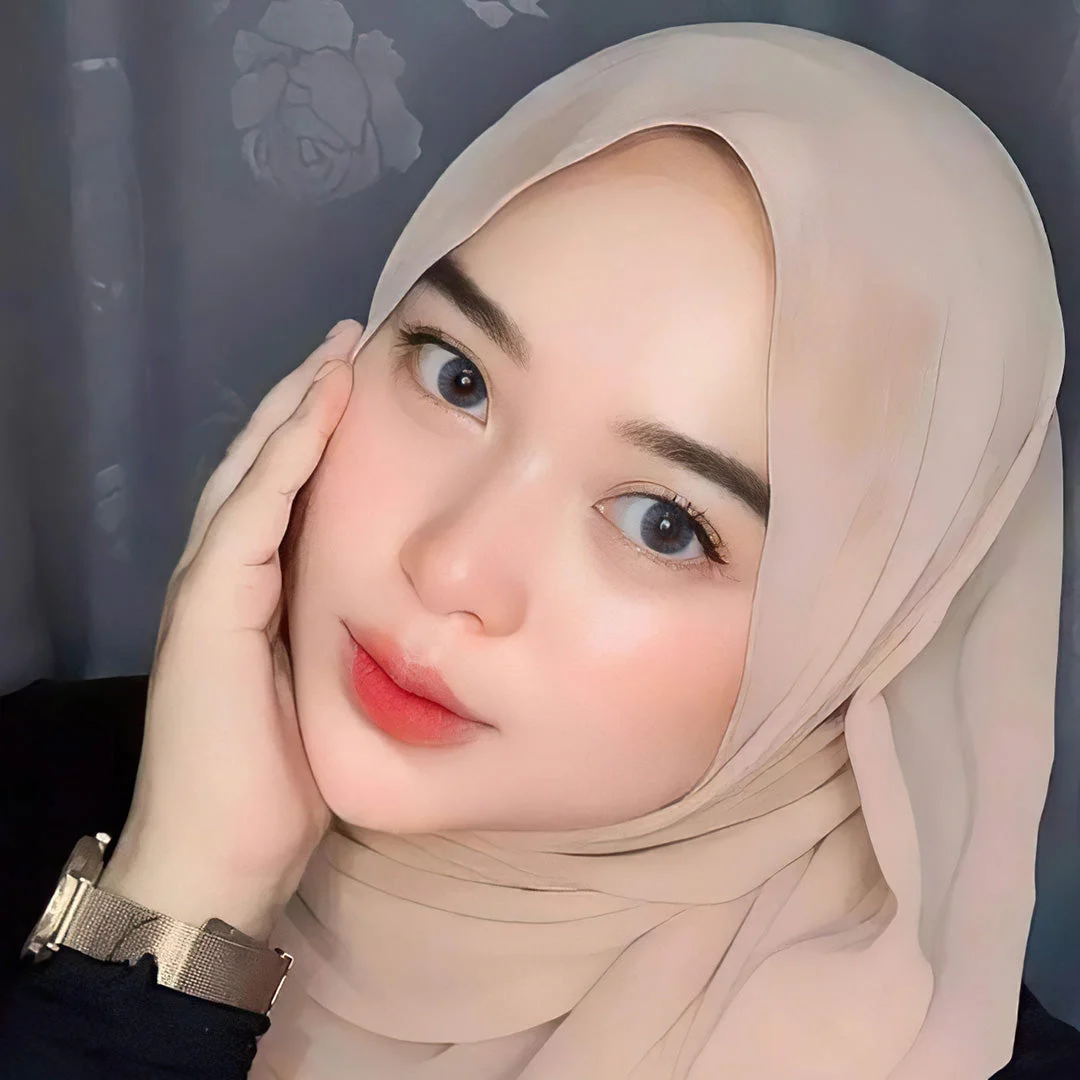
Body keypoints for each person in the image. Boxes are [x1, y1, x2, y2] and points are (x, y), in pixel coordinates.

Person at [2, 19, 1079, 1080]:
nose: (450, 567)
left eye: (664, 523)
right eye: (456, 377)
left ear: (863, 632)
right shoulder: (37, 778)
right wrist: (176, 906)